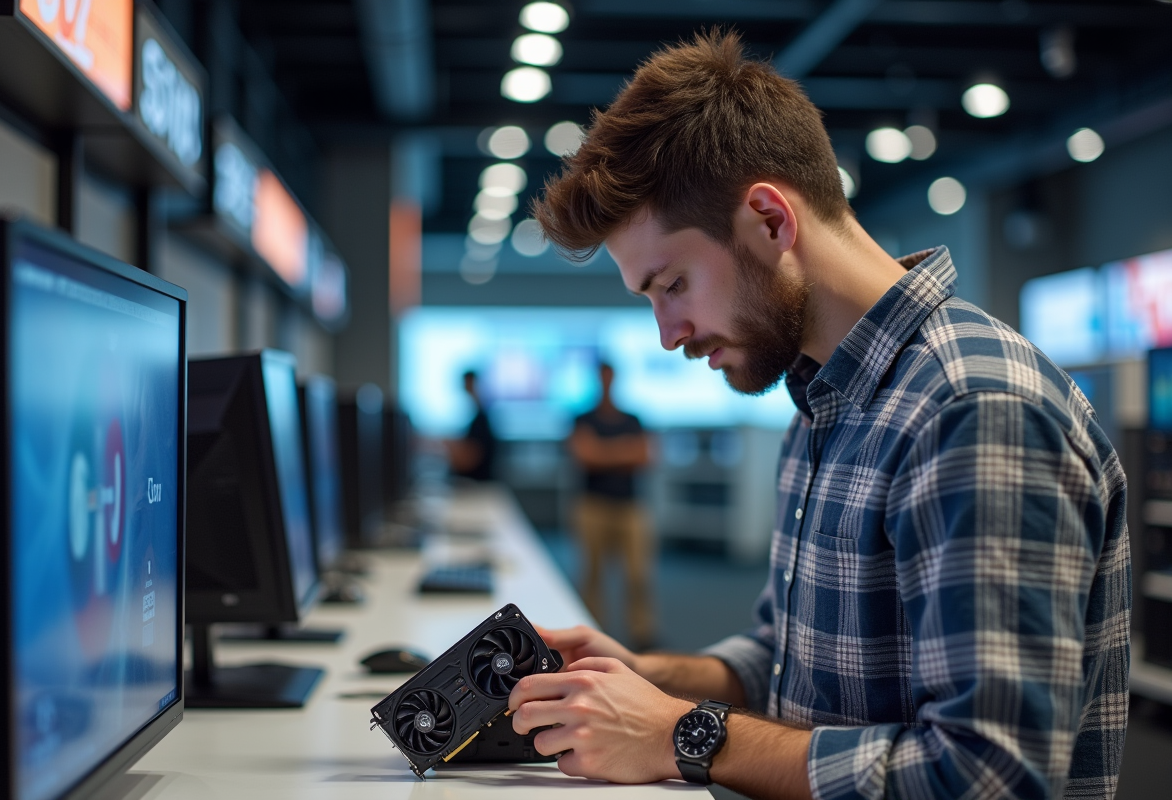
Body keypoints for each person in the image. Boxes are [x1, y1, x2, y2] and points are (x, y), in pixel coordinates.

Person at [507, 30, 1130, 800]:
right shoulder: (820, 401)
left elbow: (987, 775)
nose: (667, 335)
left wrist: (677, 733)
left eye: (672, 285)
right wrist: (642, 677)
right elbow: (790, 659)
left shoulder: (972, 410)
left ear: (771, 221)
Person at [567, 362, 654, 648]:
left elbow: (644, 456)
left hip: (630, 507)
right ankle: (591, 635)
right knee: (591, 575)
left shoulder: (633, 419)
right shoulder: (582, 418)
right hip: (592, 506)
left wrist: (603, 451)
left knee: (638, 575)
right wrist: (624, 450)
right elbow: (585, 456)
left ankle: (642, 634)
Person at [445, 370, 496, 481]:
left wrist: (450, 447)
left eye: (467, 384)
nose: (466, 388)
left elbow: (469, 459)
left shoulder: (481, 419)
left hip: (477, 484)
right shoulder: (477, 417)